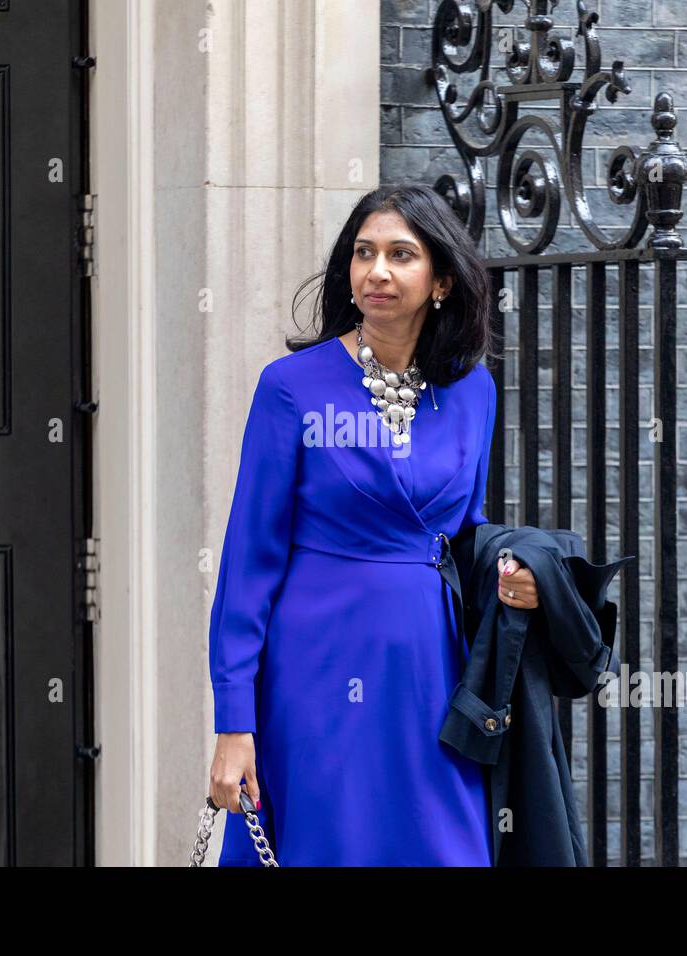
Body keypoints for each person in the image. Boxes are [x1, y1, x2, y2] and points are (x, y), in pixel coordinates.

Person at [206, 184, 539, 866]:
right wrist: (234, 723)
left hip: (430, 669)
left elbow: (466, 538)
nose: (377, 271)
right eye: (364, 253)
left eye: (400, 254)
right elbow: (248, 564)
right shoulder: (291, 387)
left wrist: (519, 578)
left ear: (441, 279)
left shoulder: (473, 390)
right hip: (314, 670)